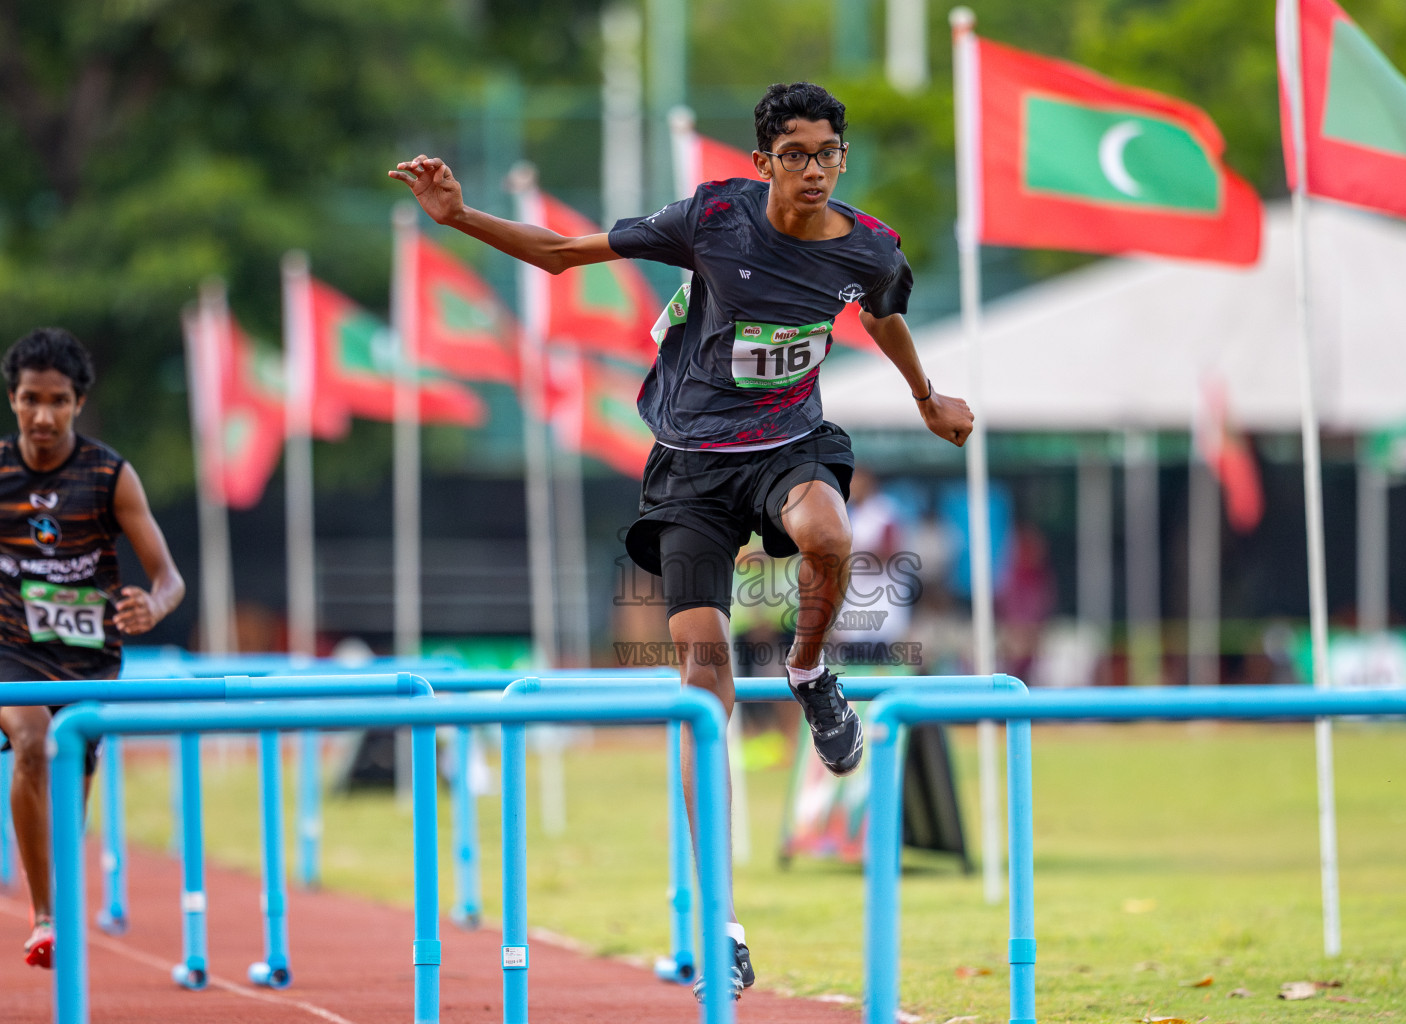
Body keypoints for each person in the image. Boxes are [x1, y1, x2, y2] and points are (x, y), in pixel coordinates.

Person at [392, 81, 973, 999]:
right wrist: (460, 217)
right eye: (795, 155)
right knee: (704, 682)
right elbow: (562, 255)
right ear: (764, 162)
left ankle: (810, 673)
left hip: (788, 446)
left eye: (828, 153)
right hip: (691, 469)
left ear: (842, 157)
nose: (814, 170)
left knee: (829, 533)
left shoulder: (868, 246)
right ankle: (722, 921)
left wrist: (926, 396)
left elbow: (881, 312)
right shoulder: (712, 219)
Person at [0, 328, 185, 969]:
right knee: (30, 740)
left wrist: (153, 605)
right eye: (30, 399)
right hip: (13, 648)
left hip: (87, 659)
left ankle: (58, 895)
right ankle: (45, 917)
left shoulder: (110, 475)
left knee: (69, 776)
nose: (42, 416)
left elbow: (169, 578)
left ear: (78, 403)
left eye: (57, 401)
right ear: (13, 399)